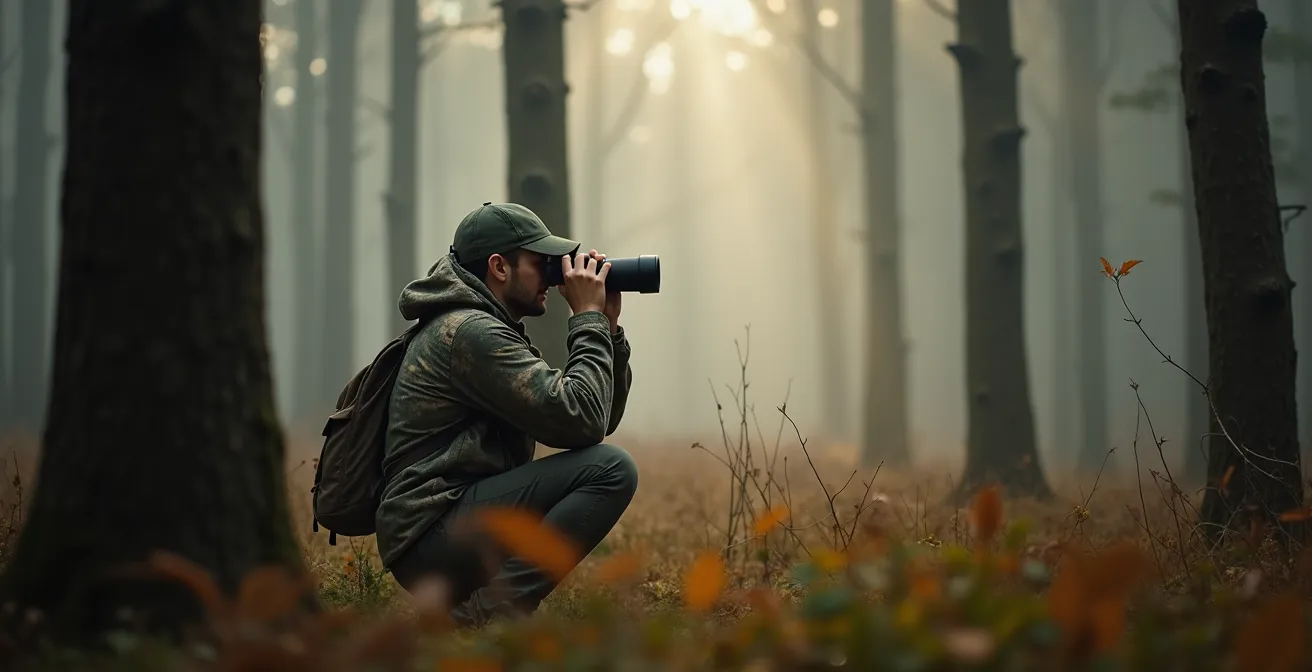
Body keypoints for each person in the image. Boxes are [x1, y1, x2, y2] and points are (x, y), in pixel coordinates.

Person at [376, 201, 639, 627]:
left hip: (442, 525)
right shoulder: (470, 332)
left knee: (606, 464)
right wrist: (586, 317)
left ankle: (479, 611)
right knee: (611, 469)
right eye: (543, 264)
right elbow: (584, 419)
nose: (555, 279)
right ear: (499, 267)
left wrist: (607, 330)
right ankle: (482, 618)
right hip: (433, 534)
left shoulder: (482, 326)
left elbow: (595, 420)